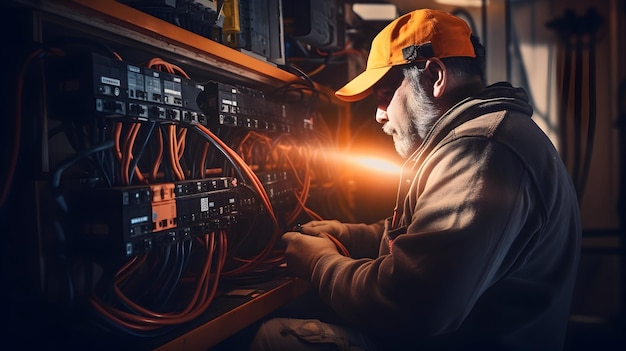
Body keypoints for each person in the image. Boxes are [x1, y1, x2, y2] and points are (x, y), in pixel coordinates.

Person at [248, 8, 581, 351]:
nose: (379, 115)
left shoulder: (482, 152)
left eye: (384, 94)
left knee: (276, 339)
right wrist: (351, 236)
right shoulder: (481, 139)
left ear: (435, 76)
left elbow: (413, 305)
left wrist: (319, 264)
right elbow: (428, 240)